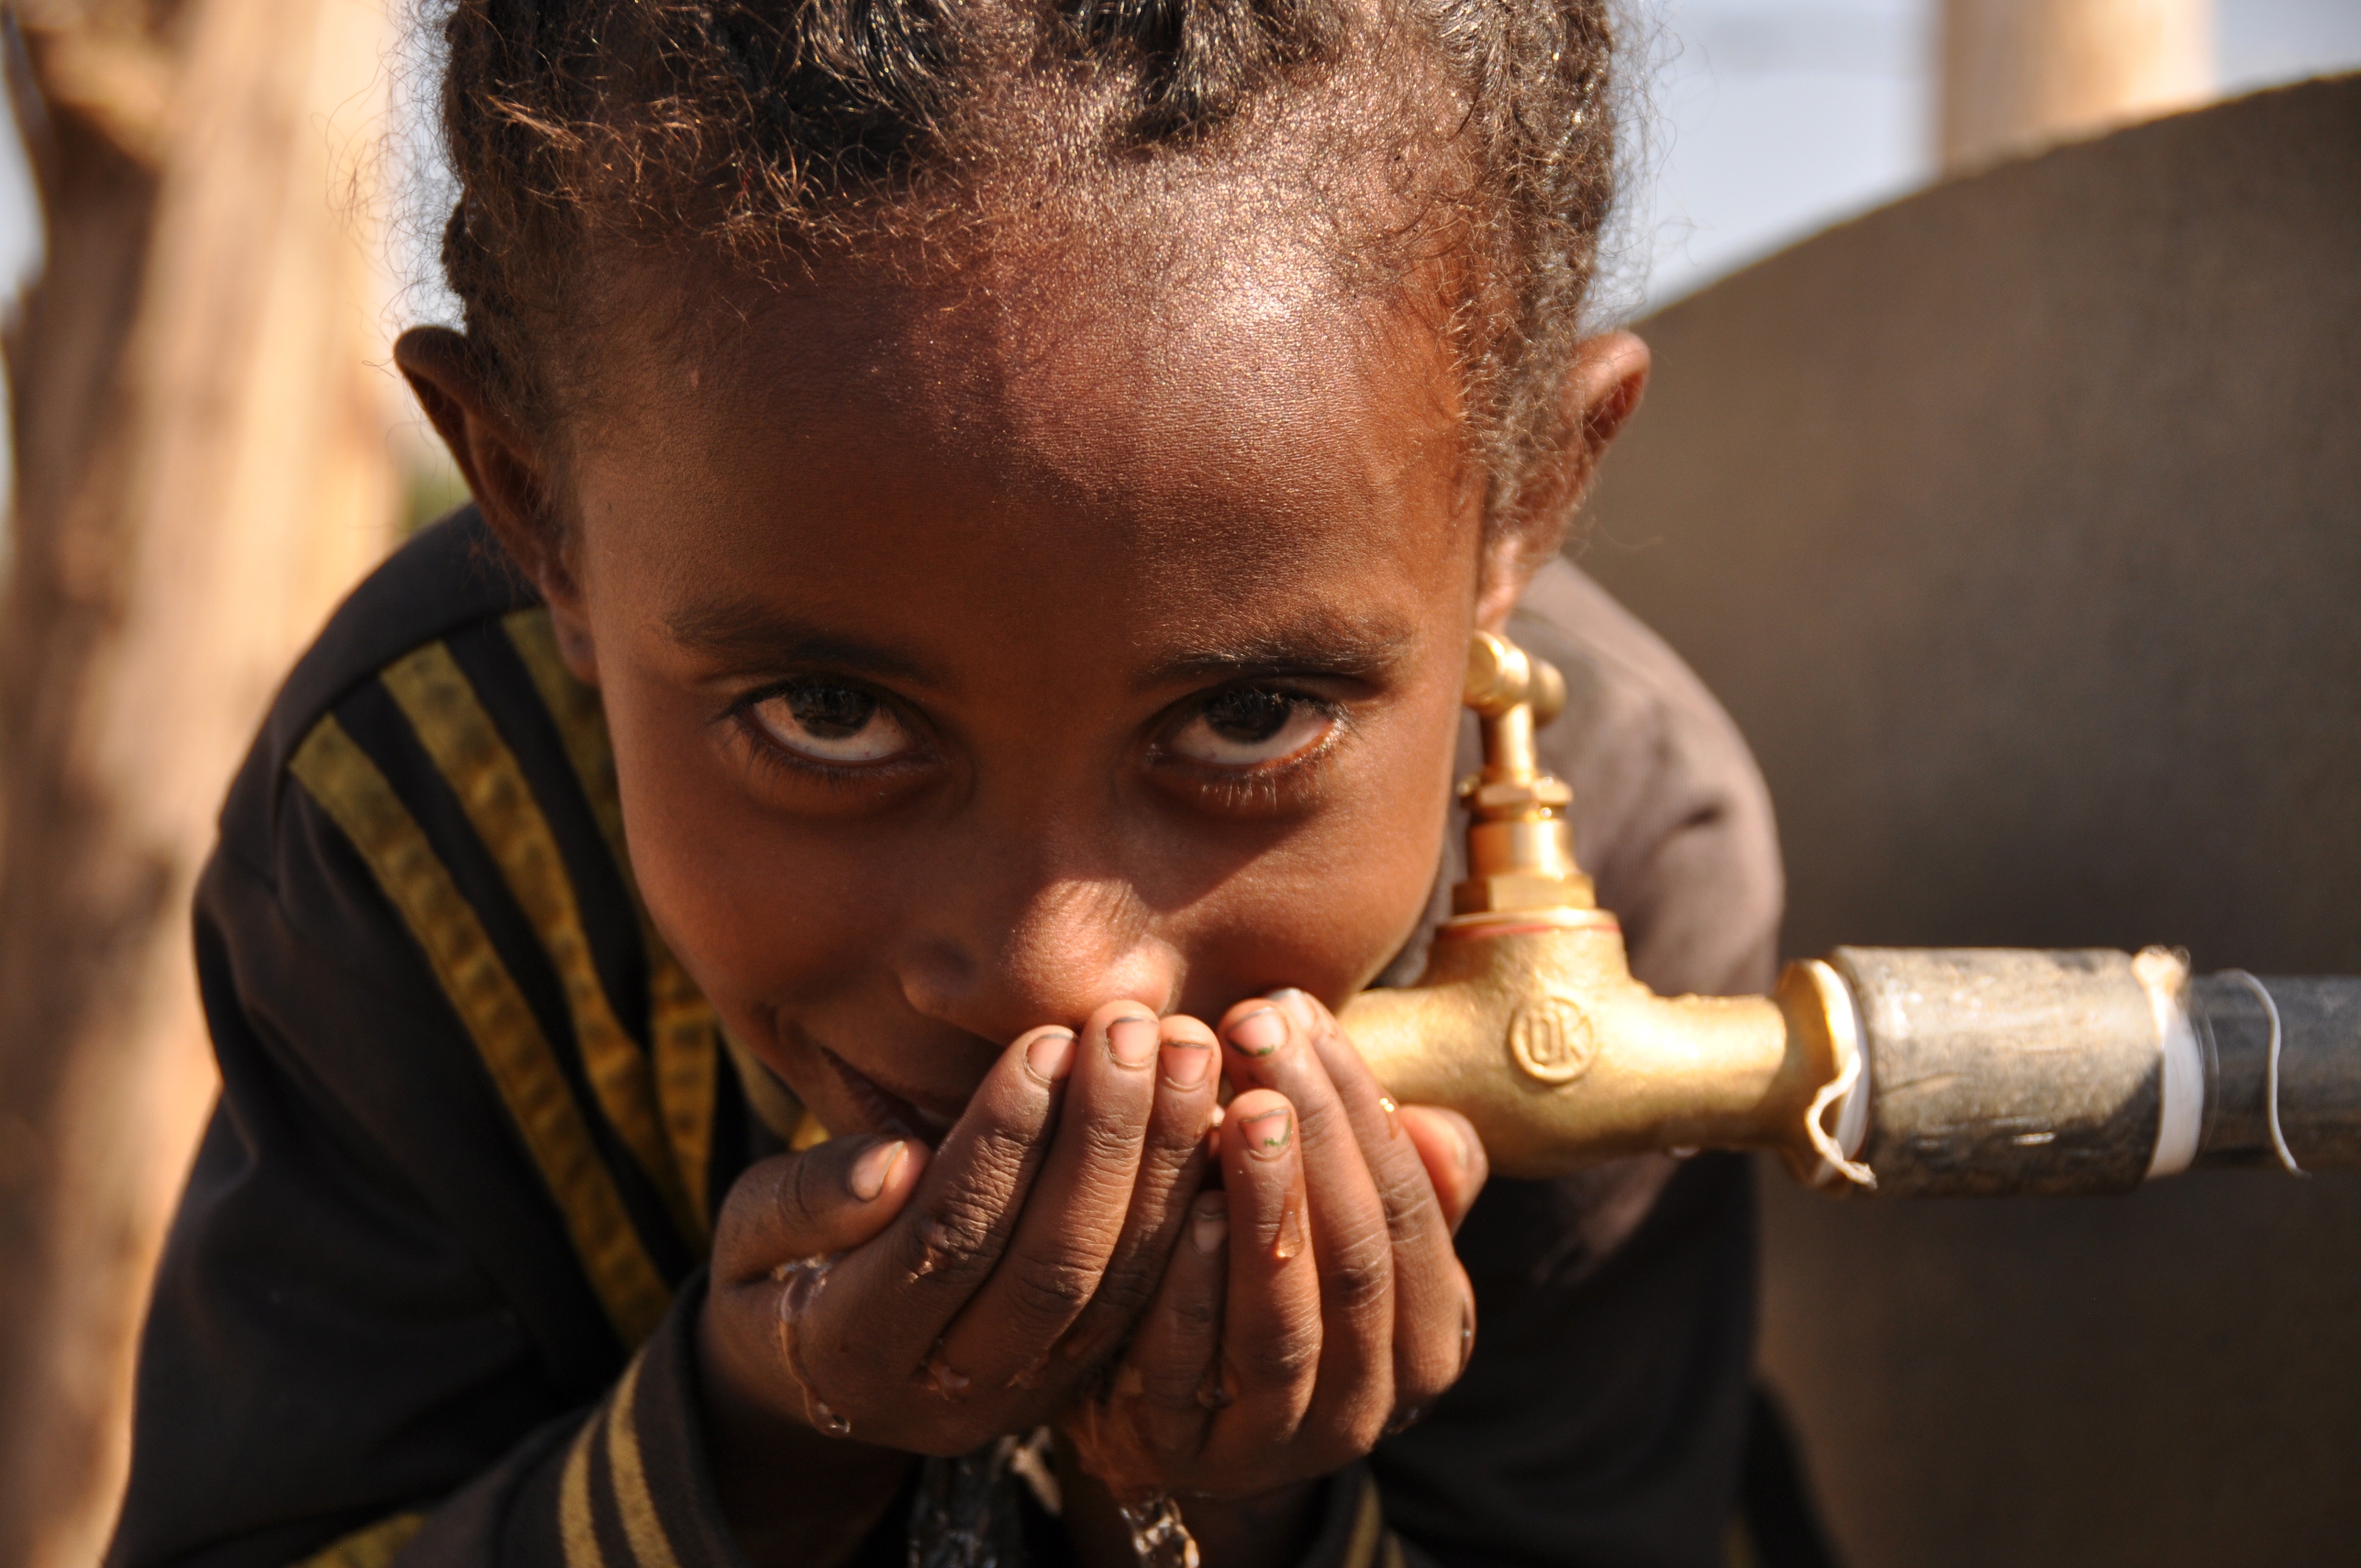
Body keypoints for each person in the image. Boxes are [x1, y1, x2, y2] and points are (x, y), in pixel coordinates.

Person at [106, 3, 1788, 1565]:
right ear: (531, 501)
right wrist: (752, 1444)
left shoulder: (1613, 869)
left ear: (1521, 503)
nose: (1064, 973)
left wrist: (1245, 1504)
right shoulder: (426, 816)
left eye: (1253, 715)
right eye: (828, 712)